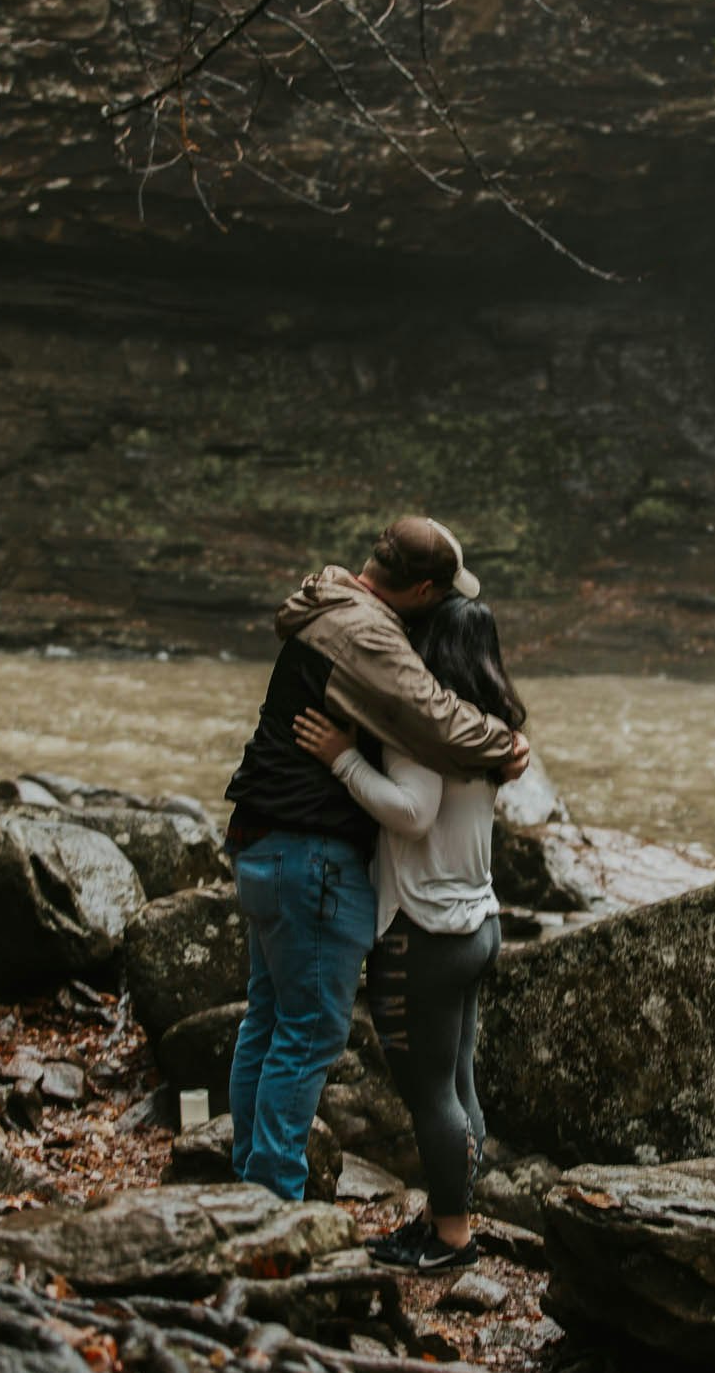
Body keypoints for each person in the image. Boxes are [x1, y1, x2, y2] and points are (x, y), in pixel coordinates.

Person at [222, 517, 528, 1200]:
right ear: (422, 589)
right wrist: (505, 744)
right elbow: (433, 719)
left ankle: (247, 1179)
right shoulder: (367, 633)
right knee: (307, 1035)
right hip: (314, 857)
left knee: (268, 1019)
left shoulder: (331, 603)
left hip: (263, 846)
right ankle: (270, 1196)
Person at [293, 594, 525, 1272]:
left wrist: (342, 757)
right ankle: (450, 1213)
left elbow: (412, 813)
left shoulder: (422, 730)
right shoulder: (492, 731)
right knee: (458, 1084)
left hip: (424, 933)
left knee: (430, 1095)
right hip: (479, 923)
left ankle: (450, 1236)